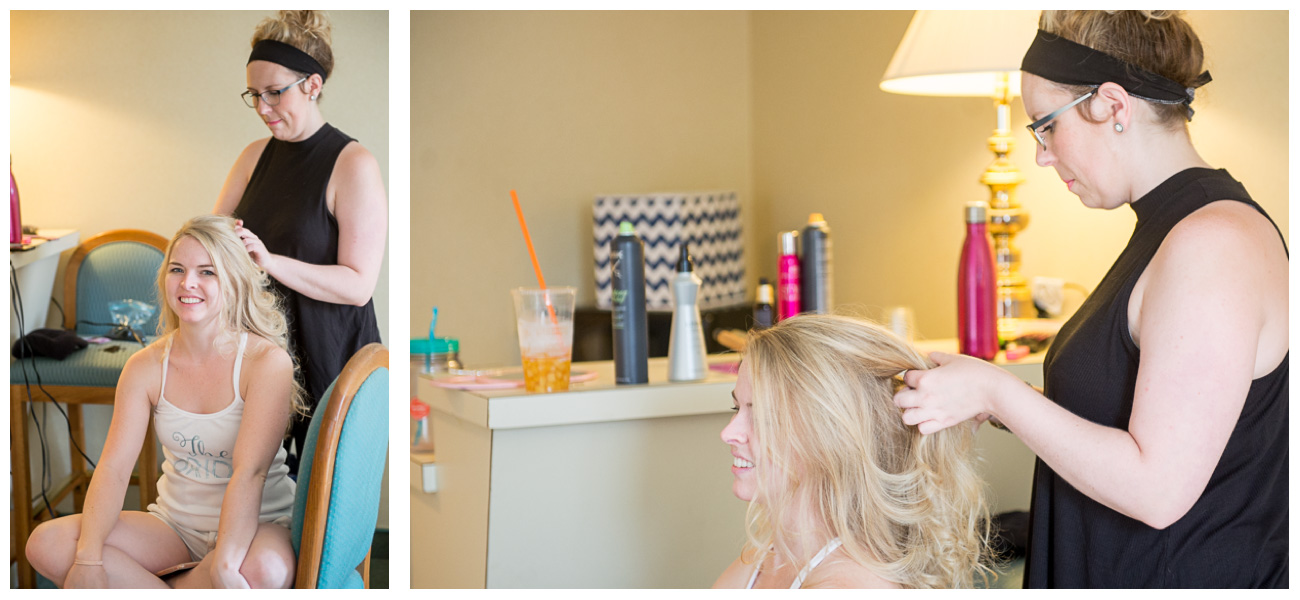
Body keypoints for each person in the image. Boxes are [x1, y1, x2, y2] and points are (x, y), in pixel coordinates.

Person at [894, 10, 1288, 588]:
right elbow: (1126, 417)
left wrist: (999, 394)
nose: (1042, 155)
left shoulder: (1213, 244)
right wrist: (995, 397)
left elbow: (1158, 489)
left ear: (1112, 104)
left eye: (1046, 125)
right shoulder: (1172, 230)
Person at [25, 215, 306, 588]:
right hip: (174, 527)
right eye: (178, 269)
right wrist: (90, 558)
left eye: (208, 272)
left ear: (234, 281)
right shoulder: (144, 367)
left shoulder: (267, 363)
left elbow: (249, 473)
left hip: (257, 526)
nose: (188, 283)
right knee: (47, 543)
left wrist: (224, 564)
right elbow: (113, 469)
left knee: (264, 572)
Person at [214, 10, 386, 470]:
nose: (263, 108)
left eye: (275, 92)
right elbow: (216, 241)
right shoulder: (253, 157)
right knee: (256, 490)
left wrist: (269, 260)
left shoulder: (353, 165)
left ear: (312, 85)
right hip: (261, 354)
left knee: (321, 513)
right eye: (255, 95)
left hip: (330, 355)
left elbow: (357, 285)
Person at [714, 315, 992, 589]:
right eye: (737, 408)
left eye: (764, 416)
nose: (728, 433)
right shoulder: (773, 557)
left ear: (831, 436)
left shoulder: (844, 586)